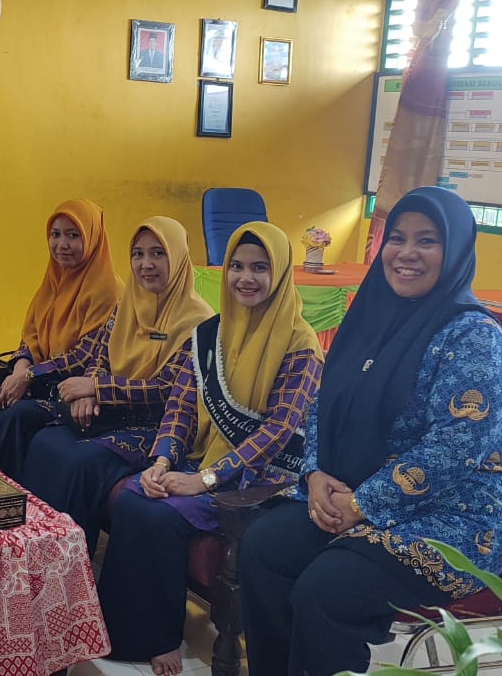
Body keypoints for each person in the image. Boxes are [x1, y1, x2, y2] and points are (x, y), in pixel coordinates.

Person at [239, 187, 502, 676]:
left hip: (456, 514)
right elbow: (322, 403)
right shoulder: (369, 316)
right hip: (351, 488)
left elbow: (453, 449)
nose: (407, 253)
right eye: (397, 238)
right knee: (264, 547)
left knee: (327, 588)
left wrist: (362, 504)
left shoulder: (475, 336)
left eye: (427, 240)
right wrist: (315, 474)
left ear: (455, 250)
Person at [98, 223, 323, 676]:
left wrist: (204, 479)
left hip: (264, 477)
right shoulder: (209, 334)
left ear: (280, 274)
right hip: (205, 460)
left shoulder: (301, 345)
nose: (246, 278)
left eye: (260, 268)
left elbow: (279, 430)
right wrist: (162, 459)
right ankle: (129, 630)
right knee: (132, 494)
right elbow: (181, 405)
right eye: (237, 266)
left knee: (156, 514)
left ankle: (160, 638)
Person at [18, 217, 214, 554]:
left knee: (80, 461)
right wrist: (90, 388)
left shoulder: (199, 322)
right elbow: (101, 354)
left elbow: (167, 389)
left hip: (156, 425)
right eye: (138, 254)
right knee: (46, 442)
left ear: (179, 258)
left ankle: (68, 563)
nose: (146, 264)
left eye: (158, 254)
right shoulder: (127, 304)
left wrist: (98, 389)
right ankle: (31, 553)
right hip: (110, 413)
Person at [0, 199, 122, 479]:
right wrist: (21, 368)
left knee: (14, 419)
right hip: (39, 381)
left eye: (73, 235)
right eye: (55, 234)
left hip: (73, 391)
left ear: (93, 238)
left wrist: (29, 376)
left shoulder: (107, 290)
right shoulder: (54, 280)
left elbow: (85, 356)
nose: (62, 244)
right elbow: (31, 336)